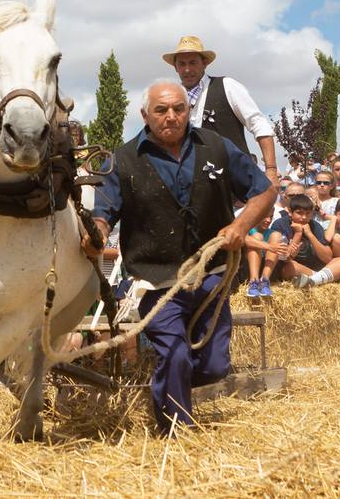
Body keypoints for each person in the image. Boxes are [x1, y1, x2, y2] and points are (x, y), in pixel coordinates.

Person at [88, 80, 275, 434]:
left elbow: (264, 192)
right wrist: (95, 234)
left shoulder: (217, 146)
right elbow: (103, 214)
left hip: (213, 274)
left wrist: (241, 225)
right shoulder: (123, 160)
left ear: (188, 111)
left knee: (215, 366)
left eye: (178, 109)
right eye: (161, 110)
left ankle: (166, 388)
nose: (171, 116)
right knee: (174, 354)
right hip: (157, 282)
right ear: (145, 114)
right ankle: (176, 432)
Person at [162, 36, 277, 179]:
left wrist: (271, 170)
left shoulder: (227, 86)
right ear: (175, 67)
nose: (187, 69)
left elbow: (258, 123)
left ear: (204, 63)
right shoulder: (172, 99)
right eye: (182, 64)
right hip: (193, 183)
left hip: (235, 180)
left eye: (193, 63)